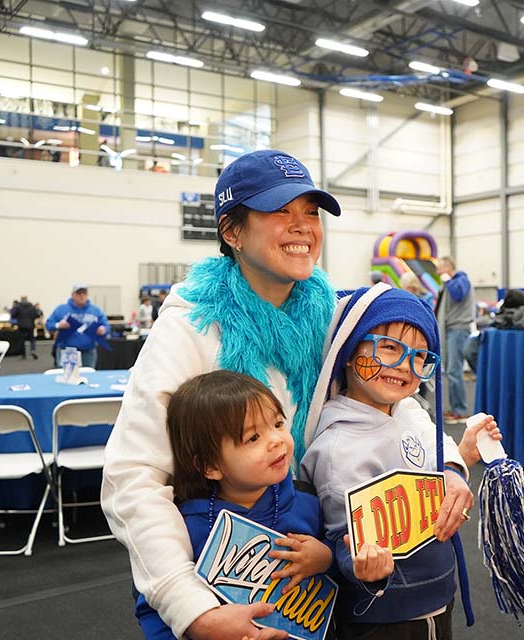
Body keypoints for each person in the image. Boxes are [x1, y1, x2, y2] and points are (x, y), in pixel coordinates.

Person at [101, 149, 345, 640]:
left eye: (310, 212)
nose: (302, 226)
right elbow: (133, 476)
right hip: (213, 574)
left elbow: (389, 396)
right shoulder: (189, 327)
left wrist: (445, 464)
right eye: (280, 211)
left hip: (310, 571)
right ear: (232, 232)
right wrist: (191, 608)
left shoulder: (331, 315)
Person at [300, 285, 499, 639]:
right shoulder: (337, 449)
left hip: (439, 596)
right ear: (350, 351)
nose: (405, 365)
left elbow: (431, 448)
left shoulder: (406, 409)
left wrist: (458, 462)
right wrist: (363, 567)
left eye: (419, 355)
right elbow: (343, 542)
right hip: (385, 616)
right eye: (389, 347)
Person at [135, 370, 332, 640]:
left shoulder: (306, 501)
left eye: (277, 424)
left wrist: (326, 557)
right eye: (253, 438)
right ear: (210, 466)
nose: (276, 440)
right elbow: (153, 606)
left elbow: (340, 579)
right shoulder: (187, 527)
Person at [435, 256, 474, 423]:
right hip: (451, 330)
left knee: (454, 371)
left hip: (458, 329)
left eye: (440, 268)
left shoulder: (461, 280)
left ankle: (460, 411)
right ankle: (455, 408)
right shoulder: (451, 283)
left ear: (448, 268)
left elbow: (458, 295)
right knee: (451, 371)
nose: (437, 271)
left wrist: (448, 280)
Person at [46, 285, 110, 368]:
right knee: (68, 374)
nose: (82, 296)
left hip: (88, 351)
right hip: (68, 350)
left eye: (84, 293)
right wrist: (58, 325)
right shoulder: (61, 309)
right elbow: (49, 324)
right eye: (79, 293)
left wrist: (103, 329)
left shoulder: (96, 310)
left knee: (88, 374)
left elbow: (106, 325)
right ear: (73, 295)